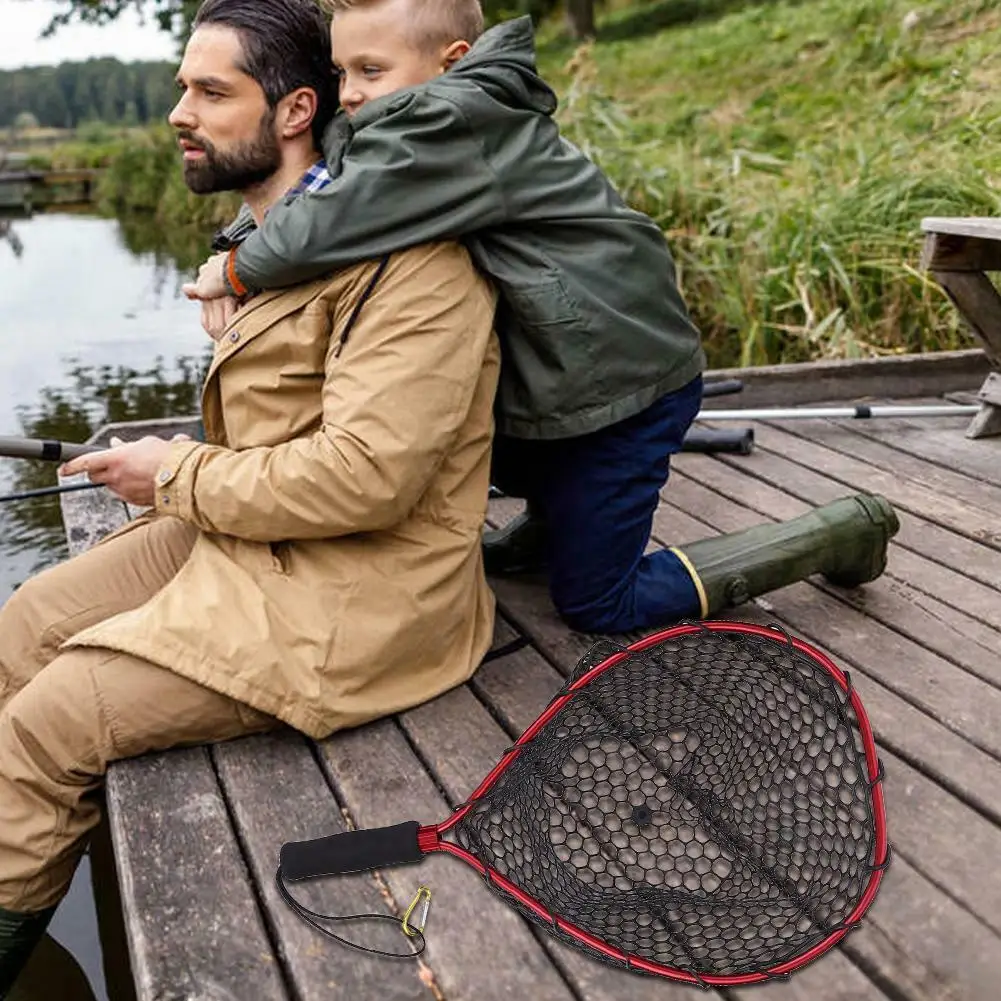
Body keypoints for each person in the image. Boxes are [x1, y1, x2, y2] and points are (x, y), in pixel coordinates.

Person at [0, 0, 500, 992]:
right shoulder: (280, 237)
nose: (178, 111)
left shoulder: (417, 262)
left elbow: (369, 474)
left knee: (54, 719)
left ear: (293, 111)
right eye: (184, 86)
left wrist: (173, 471)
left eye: (210, 91)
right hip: (256, 534)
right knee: (24, 623)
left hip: (364, 590)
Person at [184, 0, 901, 634]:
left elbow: (338, 214)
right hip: (566, 372)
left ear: (451, 62)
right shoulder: (416, 118)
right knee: (445, 428)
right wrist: (239, 241)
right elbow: (329, 186)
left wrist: (236, 270)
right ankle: (552, 525)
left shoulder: (449, 121)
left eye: (371, 69)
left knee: (598, 606)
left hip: (625, 387)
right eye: (342, 73)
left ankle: (836, 533)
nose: (352, 95)